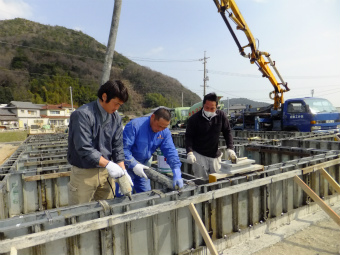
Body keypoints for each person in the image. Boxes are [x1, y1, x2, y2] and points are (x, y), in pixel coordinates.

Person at [67, 80, 132, 205]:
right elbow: (84, 148)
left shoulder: (116, 117)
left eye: (120, 105)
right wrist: (109, 164)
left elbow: (117, 145)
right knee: (80, 213)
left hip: (106, 173)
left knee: (106, 211)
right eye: (116, 103)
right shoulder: (82, 115)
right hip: (84, 174)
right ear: (104, 96)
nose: (117, 108)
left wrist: (122, 170)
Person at [123, 108, 183, 193]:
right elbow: (123, 150)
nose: (160, 129)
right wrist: (134, 164)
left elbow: (170, 151)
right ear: (153, 117)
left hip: (144, 167)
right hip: (126, 166)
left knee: (145, 194)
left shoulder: (164, 132)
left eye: (164, 127)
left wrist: (176, 169)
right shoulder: (135, 125)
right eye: (159, 125)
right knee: (124, 195)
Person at [185, 92, 237, 180]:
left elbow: (227, 132)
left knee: (217, 181)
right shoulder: (194, 119)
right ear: (203, 105)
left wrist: (230, 149)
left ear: (217, 106)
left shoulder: (221, 116)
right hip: (199, 155)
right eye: (207, 108)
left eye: (212, 108)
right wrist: (189, 152)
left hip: (215, 155)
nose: (209, 110)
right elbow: (188, 136)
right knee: (201, 182)